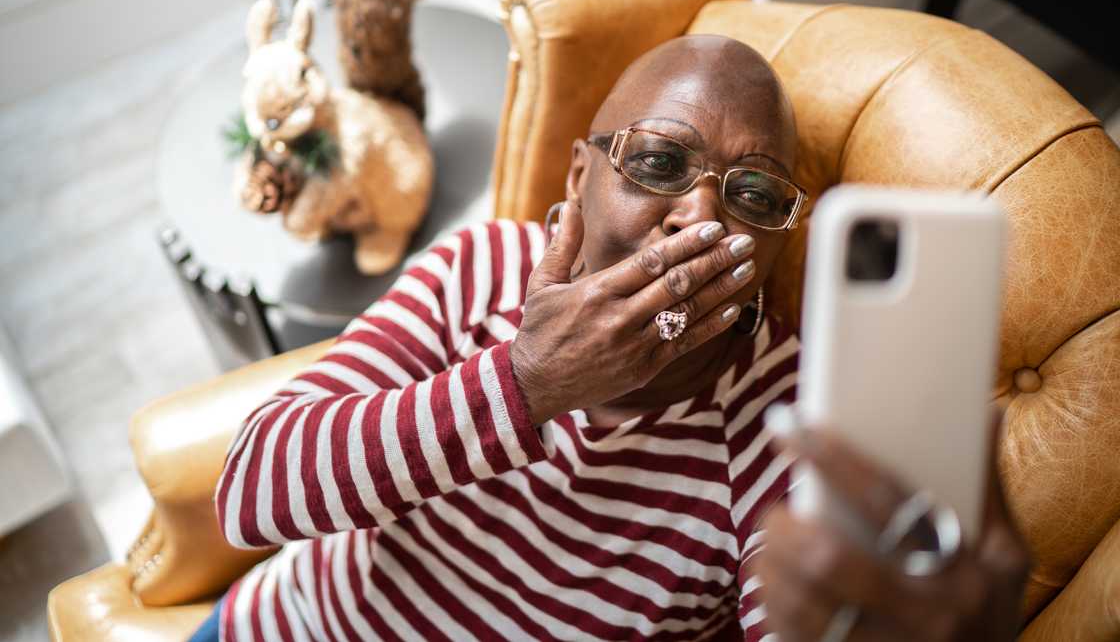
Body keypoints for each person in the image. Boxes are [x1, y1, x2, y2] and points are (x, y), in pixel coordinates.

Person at [193, 35, 1030, 641]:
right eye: (661, 164)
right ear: (578, 178)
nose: (701, 219)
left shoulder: (783, 418)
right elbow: (249, 491)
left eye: (754, 196)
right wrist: (528, 383)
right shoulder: (480, 267)